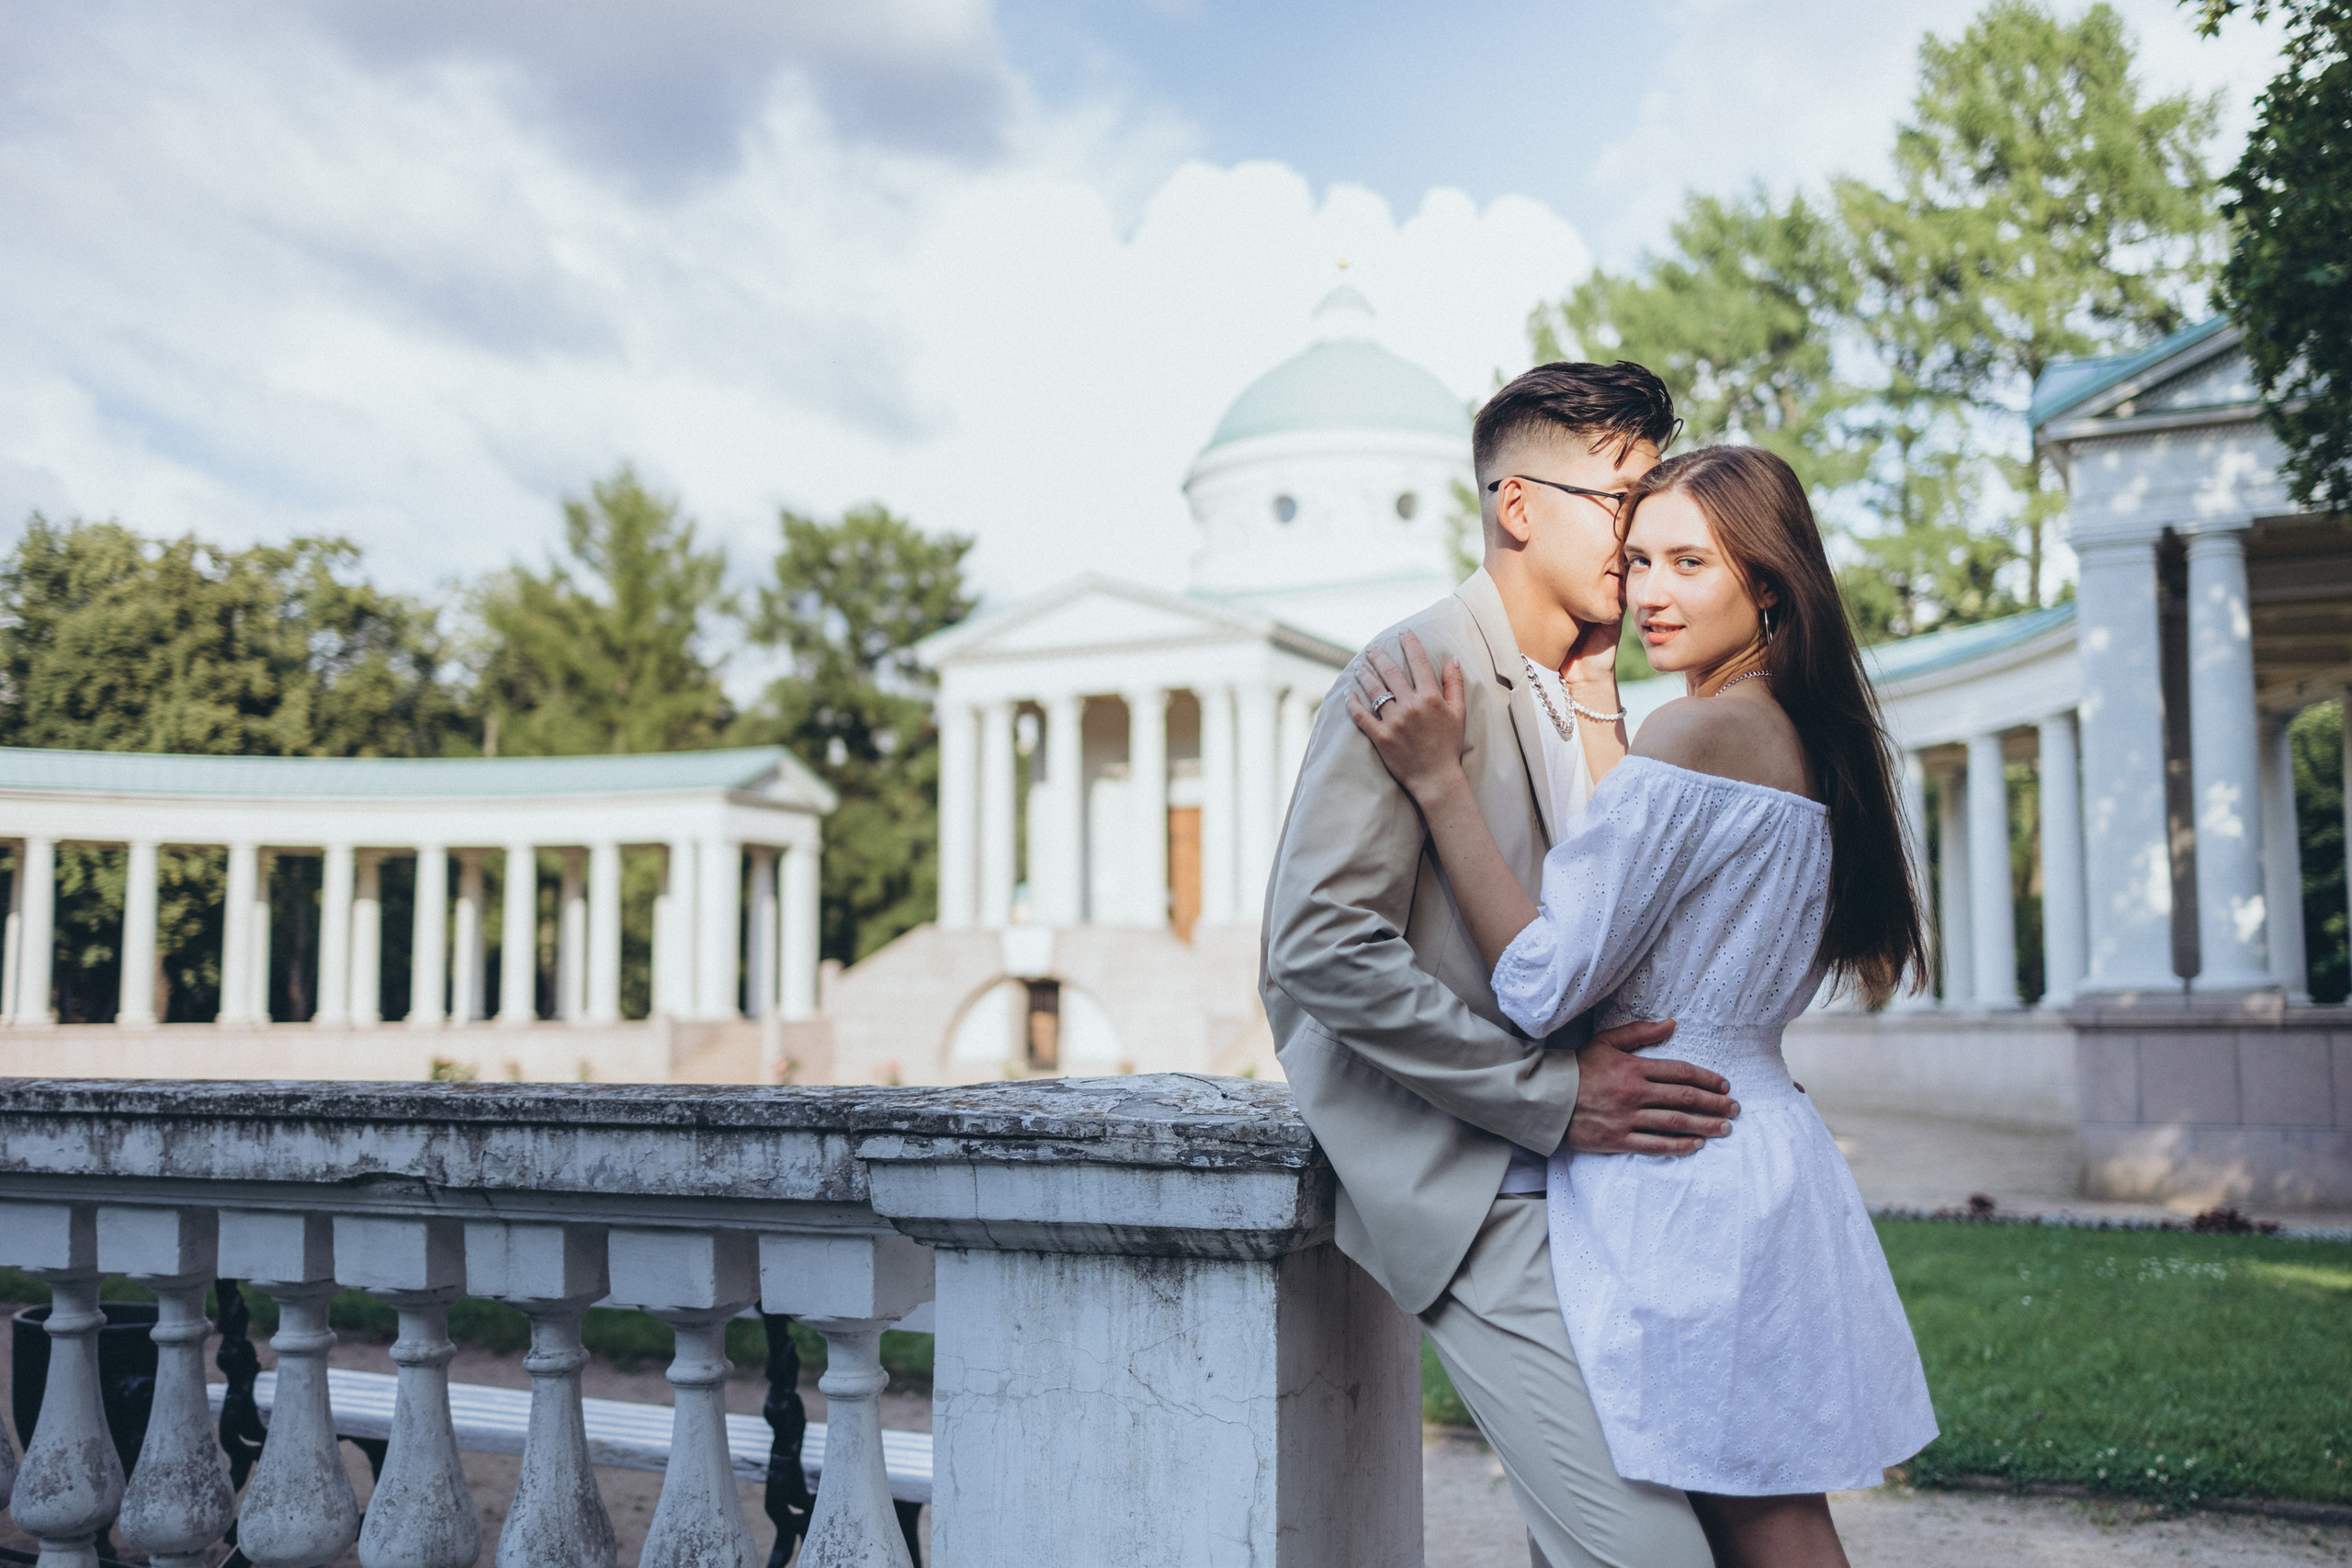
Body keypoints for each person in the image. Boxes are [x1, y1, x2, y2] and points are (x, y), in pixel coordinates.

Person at [1348, 444, 1938, 1568]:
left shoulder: (1702, 733)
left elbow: (1541, 978)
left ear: (1765, 582)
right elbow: (1661, 869)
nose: (1650, 592)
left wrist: (1437, 782)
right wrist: (1601, 709)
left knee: (1720, 1516)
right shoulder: (1799, 732)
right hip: (1755, 1141)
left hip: (1673, 1164)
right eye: (1638, 561)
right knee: (1766, 1506)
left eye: (1688, 564)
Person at [1261, 362, 1740, 1568]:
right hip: (1480, 1181)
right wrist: (1551, 1095)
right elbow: (1317, 944)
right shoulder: (1416, 667)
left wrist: (1602, 715)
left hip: (1607, 1183)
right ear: (1518, 506)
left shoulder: (1585, 682)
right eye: (1622, 501)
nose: (1645, 540)